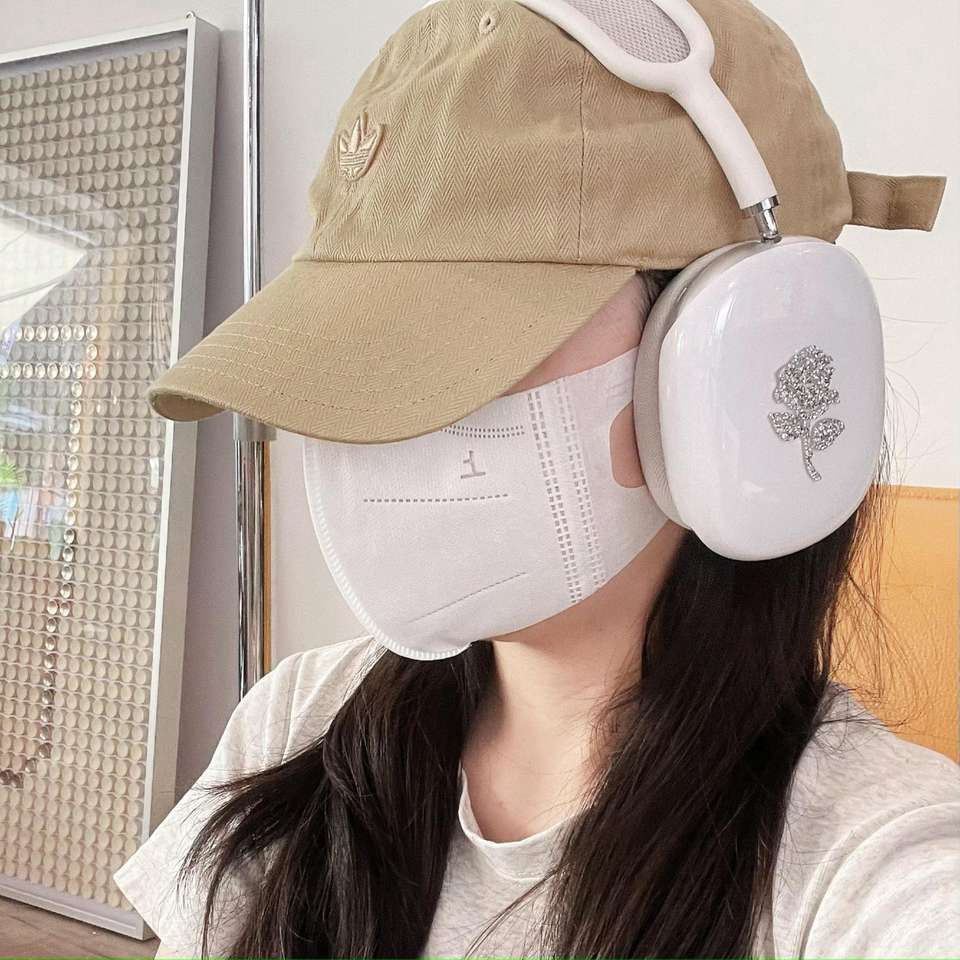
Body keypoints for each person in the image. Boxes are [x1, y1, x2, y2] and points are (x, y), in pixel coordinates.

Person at [114, 0, 958, 957]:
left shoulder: (869, 863)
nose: (372, 415)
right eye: (351, 343)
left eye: (464, 339)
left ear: (744, 355)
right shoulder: (299, 715)